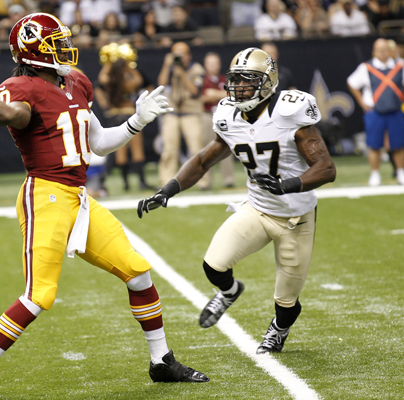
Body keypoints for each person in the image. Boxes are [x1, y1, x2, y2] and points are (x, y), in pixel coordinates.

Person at [0, 13, 209, 399]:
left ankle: (161, 361)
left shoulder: (75, 82)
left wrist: (136, 123)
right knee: (39, 294)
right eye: (54, 43)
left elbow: (97, 142)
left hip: (78, 197)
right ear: (33, 50)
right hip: (44, 194)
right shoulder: (19, 87)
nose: (63, 47)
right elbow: (10, 115)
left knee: (138, 271)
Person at [138, 47, 336, 354]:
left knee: (286, 301)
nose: (238, 87)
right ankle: (229, 292)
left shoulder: (289, 111)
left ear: (268, 81)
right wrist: (168, 190)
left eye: (247, 80)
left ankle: (279, 329)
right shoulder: (228, 114)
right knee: (213, 264)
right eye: (236, 80)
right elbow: (203, 161)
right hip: (257, 209)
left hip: (296, 218)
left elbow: (326, 168)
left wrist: (288, 185)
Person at [347, 38, 404, 186]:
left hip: (395, 111)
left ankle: (401, 172)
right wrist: (362, 103)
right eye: (379, 50)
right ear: (374, 52)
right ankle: (375, 173)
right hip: (375, 112)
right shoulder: (366, 67)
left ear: (389, 51)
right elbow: (352, 83)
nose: (383, 53)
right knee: (374, 145)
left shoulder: (399, 66)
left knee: (399, 144)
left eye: (385, 50)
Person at [98, 51, 155, 191]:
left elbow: (101, 78)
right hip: (130, 116)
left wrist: (109, 64)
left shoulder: (110, 81)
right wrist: (129, 67)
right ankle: (141, 181)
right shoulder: (128, 82)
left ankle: (126, 184)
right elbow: (139, 80)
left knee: (120, 152)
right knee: (137, 151)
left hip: (115, 117)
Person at [157, 42, 207, 189]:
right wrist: (167, 66)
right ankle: (166, 180)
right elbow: (161, 85)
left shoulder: (197, 69)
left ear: (188, 55)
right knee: (169, 148)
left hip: (191, 112)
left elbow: (195, 91)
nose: (179, 57)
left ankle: (202, 182)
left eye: (182, 53)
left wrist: (183, 74)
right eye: (176, 53)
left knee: (196, 148)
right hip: (172, 112)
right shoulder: (170, 67)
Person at [200, 52, 234, 189]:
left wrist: (215, 94)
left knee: (226, 148)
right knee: (206, 149)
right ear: (205, 65)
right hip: (207, 115)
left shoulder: (225, 80)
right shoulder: (201, 80)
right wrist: (220, 95)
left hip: (223, 116)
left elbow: (232, 96)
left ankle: (228, 179)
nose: (213, 66)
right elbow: (201, 98)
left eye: (215, 63)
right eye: (210, 63)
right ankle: (205, 182)